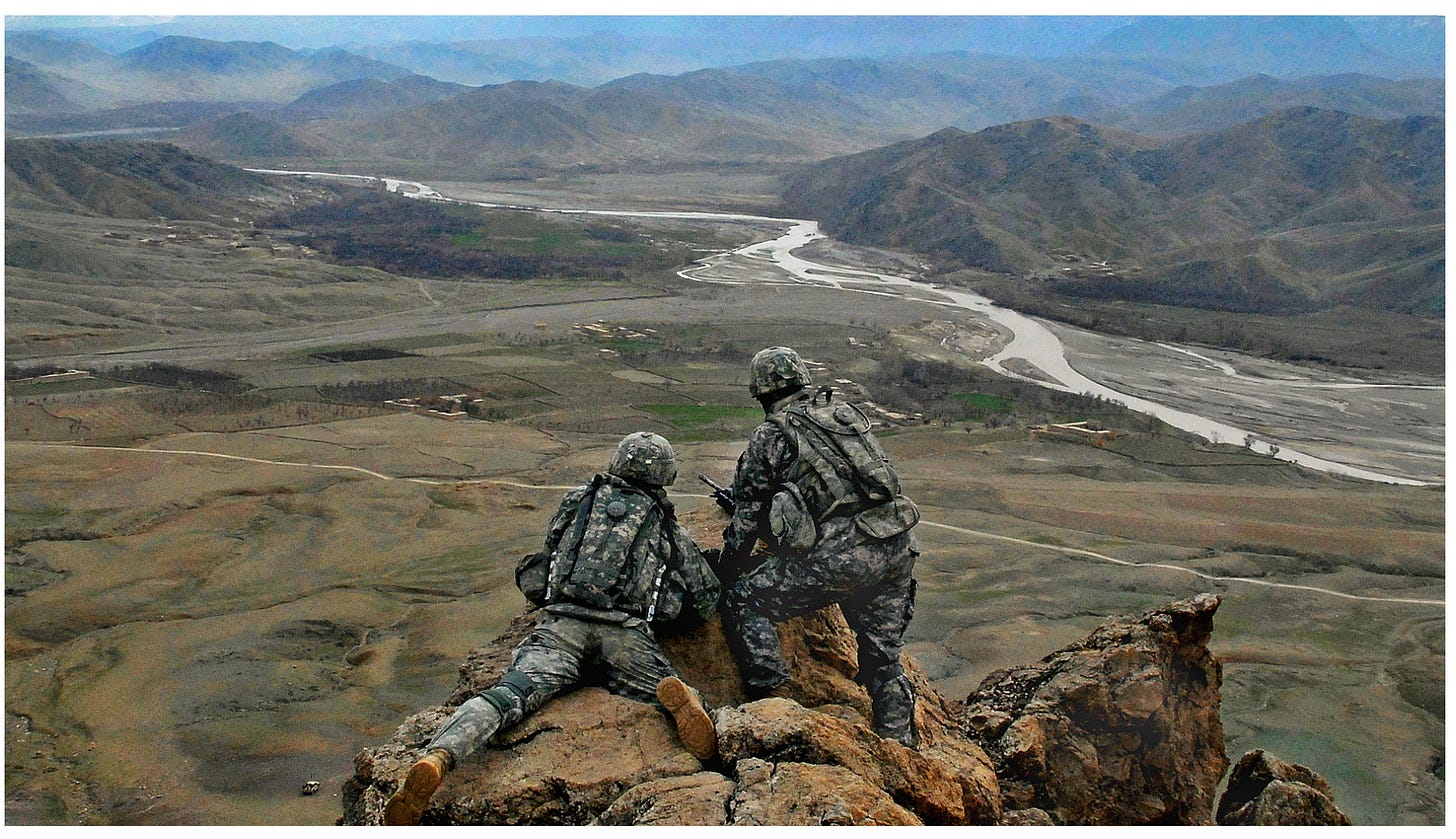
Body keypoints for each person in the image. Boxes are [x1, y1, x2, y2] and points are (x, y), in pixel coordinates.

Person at [384, 432, 721, 826]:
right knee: (664, 689)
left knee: (510, 693)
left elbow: (551, 554)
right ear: (665, 473)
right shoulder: (666, 524)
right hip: (625, 635)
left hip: (562, 626)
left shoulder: (578, 500)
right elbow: (705, 597)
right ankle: (680, 697)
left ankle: (439, 756)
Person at [719, 347, 922, 747]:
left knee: (744, 600)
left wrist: (727, 568)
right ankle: (899, 744)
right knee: (884, 657)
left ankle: (776, 705)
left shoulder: (772, 434)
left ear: (761, 392)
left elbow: (747, 517)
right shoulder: (841, 416)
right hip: (896, 544)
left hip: (843, 555)